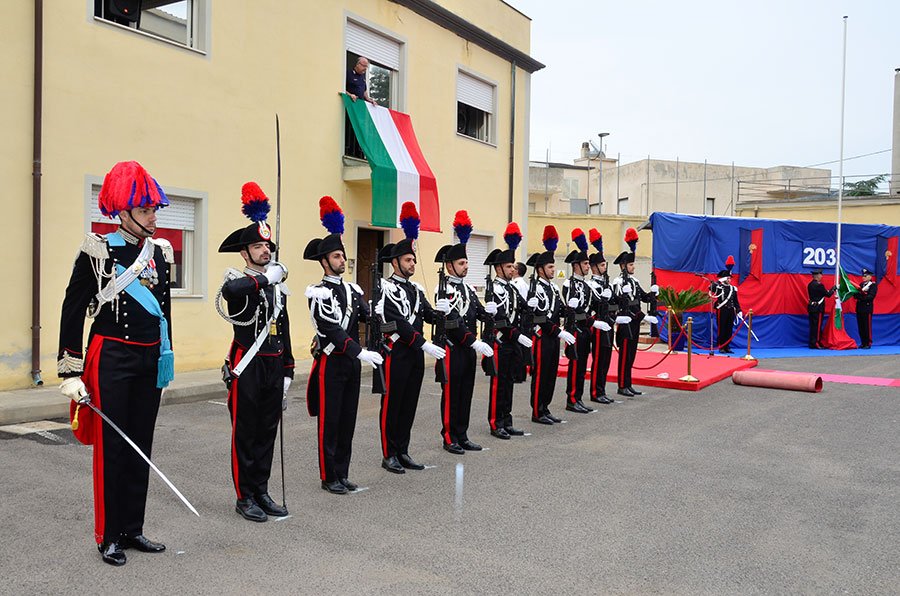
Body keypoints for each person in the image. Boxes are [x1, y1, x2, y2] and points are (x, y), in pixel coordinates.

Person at [58, 161, 174, 566]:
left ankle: (133, 528)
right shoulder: (98, 248)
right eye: (145, 210)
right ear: (123, 212)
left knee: (140, 444)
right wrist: (71, 371)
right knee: (113, 447)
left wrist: (166, 355)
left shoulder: (159, 252)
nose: (153, 217)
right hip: (112, 357)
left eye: (154, 209)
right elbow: (72, 311)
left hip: (149, 357)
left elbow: (163, 311)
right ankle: (108, 535)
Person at [217, 182, 292, 522]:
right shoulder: (238, 278)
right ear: (244, 253)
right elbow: (233, 292)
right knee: (245, 433)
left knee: (266, 431)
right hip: (246, 362)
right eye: (258, 246)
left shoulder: (278, 284)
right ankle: (244, 495)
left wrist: (288, 369)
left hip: (273, 364)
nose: (265, 251)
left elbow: (284, 328)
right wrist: (266, 279)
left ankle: (261, 490)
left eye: (267, 245)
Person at [304, 197, 382, 494]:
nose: (340, 260)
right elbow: (330, 328)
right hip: (332, 361)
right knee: (330, 420)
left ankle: (343, 472)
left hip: (349, 362)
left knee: (348, 419)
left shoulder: (352, 289)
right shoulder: (317, 292)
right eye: (335, 256)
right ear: (324, 262)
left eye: (341, 256)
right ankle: (328, 476)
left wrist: (376, 305)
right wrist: (360, 351)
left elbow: (367, 314)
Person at [376, 202, 447, 473]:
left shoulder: (416, 289)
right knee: (392, 404)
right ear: (395, 262)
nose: (412, 264)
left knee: (409, 404)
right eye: (408, 260)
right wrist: (423, 343)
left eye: (414, 260)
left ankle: (403, 450)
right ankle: (388, 453)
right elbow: (397, 322)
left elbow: (426, 314)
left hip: (415, 354)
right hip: (397, 354)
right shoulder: (385, 288)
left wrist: (440, 312)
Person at [434, 211, 495, 455]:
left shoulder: (468, 290)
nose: (466, 266)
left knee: (466, 392)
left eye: (467, 262)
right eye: (462, 263)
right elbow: (451, 322)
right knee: (451, 394)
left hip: (468, 349)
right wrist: (473, 341)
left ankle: (463, 433)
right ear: (450, 266)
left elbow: (476, 313)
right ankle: (449, 436)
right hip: (453, 348)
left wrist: (489, 312)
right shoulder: (445, 290)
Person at [483, 223, 532, 440]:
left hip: (512, 342)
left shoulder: (512, 288)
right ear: (499, 268)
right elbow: (500, 320)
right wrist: (518, 335)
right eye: (510, 266)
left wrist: (533, 304)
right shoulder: (493, 289)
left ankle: (507, 419)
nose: (514, 270)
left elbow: (523, 308)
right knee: (498, 384)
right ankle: (496, 422)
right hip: (501, 341)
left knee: (510, 381)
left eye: (513, 266)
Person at [527, 225, 576, 425]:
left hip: (554, 336)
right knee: (541, 374)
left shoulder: (554, 288)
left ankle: (545, 407)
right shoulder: (536, 288)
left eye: (554, 267)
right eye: (550, 268)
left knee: (551, 373)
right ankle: (537, 411)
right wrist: (558, 331)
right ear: (540, 270)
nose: (553, 270)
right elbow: (539, 317)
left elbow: (558, 311)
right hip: (543, 337)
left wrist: (570, 309)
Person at [611, 228, 658, 397]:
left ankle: (628, 383)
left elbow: (642, 298)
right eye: (631, 265)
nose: (633, 267)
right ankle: (622, 385)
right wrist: (642, 315)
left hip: (635, 322)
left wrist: (653, 293)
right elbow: (620, 303)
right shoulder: (617, 282)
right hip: (626, 322)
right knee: (624, 355)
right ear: (623, 266)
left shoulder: (635, 281)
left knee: (631, 354)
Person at [561, 229, 595, 414]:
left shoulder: (586, 284)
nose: (588, 267)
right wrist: (590, 320)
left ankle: (579, 397)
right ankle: (572, 398)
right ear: (576, 266)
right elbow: (573, 310)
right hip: (575, 329)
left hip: (585, 329)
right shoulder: (568, 284)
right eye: (585, 264)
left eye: (589, 263)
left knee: (582, 365)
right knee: (575, 365)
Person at [587, 228, 614, 404]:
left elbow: (614, 302)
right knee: (598, 359)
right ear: (594, 267)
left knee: (606, 358)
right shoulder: (591, 285)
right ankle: (596, 392)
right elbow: (596, 304)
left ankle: (602, 389)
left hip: (609, 323)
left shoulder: (607, 284)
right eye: (602, 265)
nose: (605, 267)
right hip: (597, 324)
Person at [709, 260, 741, 354]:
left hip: (731, 310)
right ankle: (721, 346)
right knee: (722, 329)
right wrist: (718, 281)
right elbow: (711, 288)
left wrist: (739, 310)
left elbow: (735, 301)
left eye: (730, 278)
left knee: (729, 329)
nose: (730, 280)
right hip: (722, 310)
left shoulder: (733, 288)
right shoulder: (718, 287)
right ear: (724, 279)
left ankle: (727, 346)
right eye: (728, 278)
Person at [807, 269, 835, 349]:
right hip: (818, 308)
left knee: (813, 326)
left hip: (812, 308)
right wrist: (834, 289)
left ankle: (812, 342)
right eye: (820, 275)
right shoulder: (819, 285)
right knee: (817, 326)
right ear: (817, 276)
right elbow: (828, 294)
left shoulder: (810, 284)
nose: (821, 276)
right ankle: (816, 343)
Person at [852, 268, 878, 348]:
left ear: (870, 277)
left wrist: (861, 297)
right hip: (859, 308)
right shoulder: (861, 285)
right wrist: (861, 296)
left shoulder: (873, 285)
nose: (863, 277)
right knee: (861, 326)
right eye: (863, 276)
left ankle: (868, 343)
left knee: (867, 327)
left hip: (867, 308)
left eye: (865, 276)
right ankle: (863, 342)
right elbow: (855, 295)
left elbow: (870, 296)